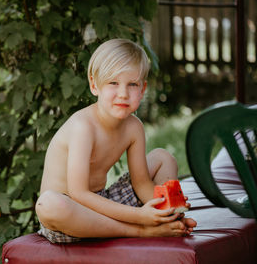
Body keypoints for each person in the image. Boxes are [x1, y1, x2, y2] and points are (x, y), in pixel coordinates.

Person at [35, 39, 197, 243]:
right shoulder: (83, 127)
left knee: (163, 158)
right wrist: (140, 217)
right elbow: (79, 193)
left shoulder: (134, 127)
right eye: (113, 83)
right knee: (49, 204)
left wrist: (164, 211)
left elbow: (141, 182)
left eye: (132, 84)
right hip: (72, 214)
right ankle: (141, 231)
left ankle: (164, 223)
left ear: (143, 89)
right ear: (94, 85)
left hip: (103, 201)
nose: (123, 93)